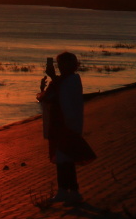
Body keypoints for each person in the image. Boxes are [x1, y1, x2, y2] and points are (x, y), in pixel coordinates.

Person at [38, 52, 96, 205]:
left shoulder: (70, 80)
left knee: (64, 159)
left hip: (64, 125)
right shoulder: (68, 80)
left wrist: (52, 79)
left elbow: (54, 96)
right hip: (63, 124)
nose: (60, 67)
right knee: (65, 159)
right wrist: (49, 83)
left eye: (62, 64)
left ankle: (67, 192)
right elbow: (52, 95)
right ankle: (69, 192)